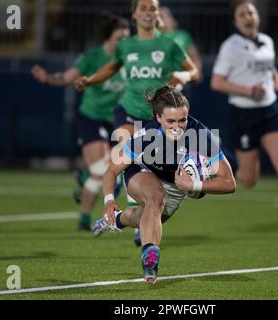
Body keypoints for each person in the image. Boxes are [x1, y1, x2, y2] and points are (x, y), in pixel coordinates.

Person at [75, 0, 200, 243]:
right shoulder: (126, 46)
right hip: (129, 112)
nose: (148, 12)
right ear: (134, 14)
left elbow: (194, 71)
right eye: (142, 8)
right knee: (123, 153)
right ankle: (113, 203)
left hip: (158, 118)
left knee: (150, 169)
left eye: (152, 8)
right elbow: (112, 68)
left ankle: (135, 219)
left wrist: (182, 75)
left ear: (157, 13)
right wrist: (90, 80)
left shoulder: (169, 44)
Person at [92, 85, 236, 283]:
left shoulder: (202, 136)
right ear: (158, 118)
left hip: (177, 186)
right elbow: (112, 170)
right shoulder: (145, 136)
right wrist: (109, 199)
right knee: (155, 197)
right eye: (170, 121)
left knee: (140, 218)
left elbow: (229, 182)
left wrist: (194, 185)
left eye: (182, 120)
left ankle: (116, 220)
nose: (177, 127)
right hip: (143, 172)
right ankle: (150, 261)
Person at [211, 0, 278, 239]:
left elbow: (270, 70)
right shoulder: (231, 47)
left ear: (257, 16)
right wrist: (248, 91)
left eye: (251, 12)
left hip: (270, 111)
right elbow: (216, 82)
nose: (248, 16)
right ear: (236, 21)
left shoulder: (267, 41)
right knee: (248, 180)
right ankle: (215, 156)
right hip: (243, 114)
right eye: (242, 14)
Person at [31, 12, 130, 231]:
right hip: (91, 117)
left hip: (117, 121)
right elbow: (67, 77)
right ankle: (84, 219)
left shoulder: (130, 60)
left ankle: (84, 189)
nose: (124, 42)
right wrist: (48, 78)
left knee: (114, 172)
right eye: (119, 38)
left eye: (127, 38)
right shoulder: (93, 58)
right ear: (107, 38)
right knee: (100, 169)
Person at [158, 6, 203, 76]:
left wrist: (197, 73)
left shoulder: (183, 35)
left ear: (172, 18)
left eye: (165, 16)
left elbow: (195, 58)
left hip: (180, 79)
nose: (162, 19)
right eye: (160, 16)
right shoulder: (154, 37)